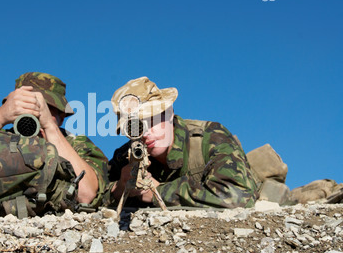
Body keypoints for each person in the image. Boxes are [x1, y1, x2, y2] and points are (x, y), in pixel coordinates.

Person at [0, 72, 108, 214]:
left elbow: (87, 194)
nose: (34, 113)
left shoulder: (76, 144)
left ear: (61, 117)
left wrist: (49, 126)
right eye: (25, 106)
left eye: (48, 108)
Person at [104, 76, 260, 210]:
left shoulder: (210, 137)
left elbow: (237, 196)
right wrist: (119, 188)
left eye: (151, 120)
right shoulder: (126, 156)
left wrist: (158, 192)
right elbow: (91, 196)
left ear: (169, 113)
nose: (144, 133)